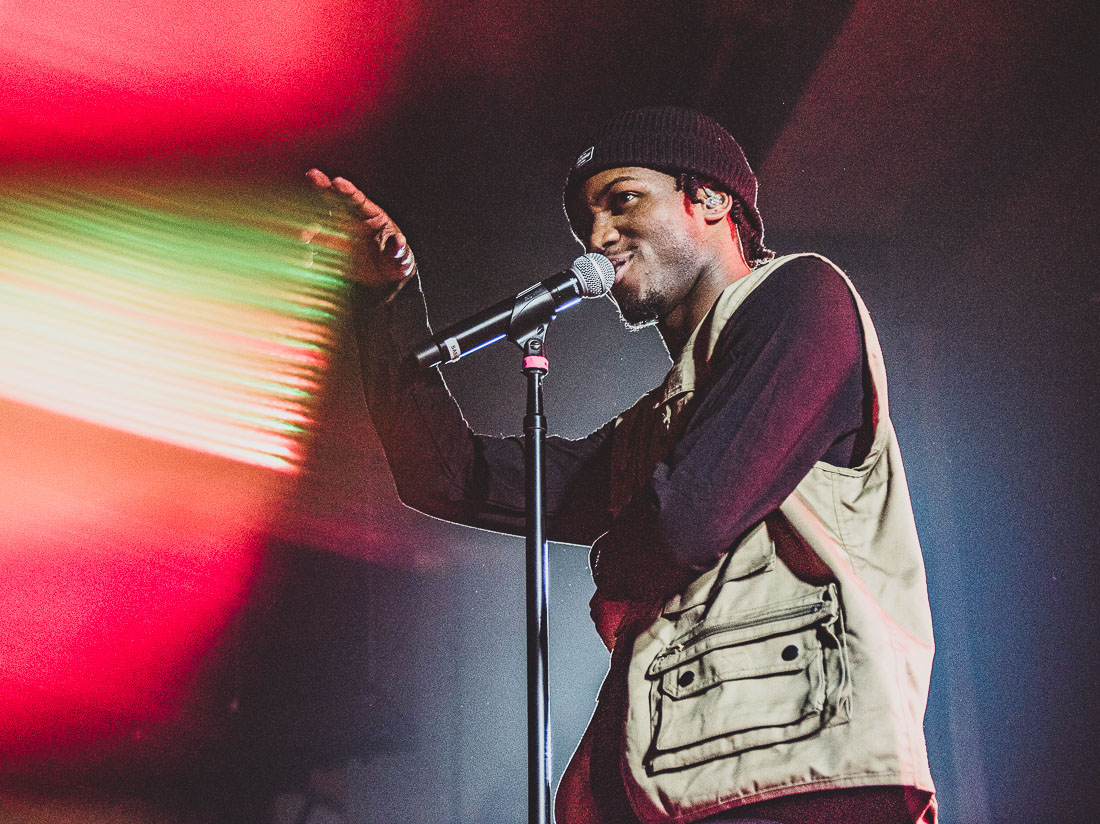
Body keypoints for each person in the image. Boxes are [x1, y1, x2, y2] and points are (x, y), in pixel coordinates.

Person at [307, 106, 937, 824]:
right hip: (682, 780)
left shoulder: (801, 297)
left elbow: (687, 517)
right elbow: (446, 476)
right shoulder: (661, 425)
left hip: (805, 778)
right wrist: (384, 299)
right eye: (586, 223)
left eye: (623, 199)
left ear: (710, 198)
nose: (599, 237)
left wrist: (614, 550)